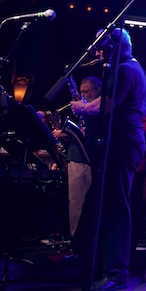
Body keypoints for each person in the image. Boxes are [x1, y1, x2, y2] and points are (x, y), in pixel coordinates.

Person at [70, 27, 146, 291]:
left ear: (116, 47)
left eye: (103, 48)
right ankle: (102, 266)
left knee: (115, 205)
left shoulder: (125, 70)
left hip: (123, 143)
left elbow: (105, 105)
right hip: (121, 143)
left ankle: (117, 273)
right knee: (105, 202)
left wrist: (81, 106)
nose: (99, 54)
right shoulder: (130, 68)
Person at [47, 76, 102, 262]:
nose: (82, 95)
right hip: (76, 158)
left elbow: (88, 132)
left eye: (86, 92)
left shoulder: (96, 109)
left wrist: (64, 132)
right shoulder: (85, 109)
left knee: (79, 206)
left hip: (86, 160)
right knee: (74, 205)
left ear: (97, 90)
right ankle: (77, 246)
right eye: (81, 91)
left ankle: (80, 248)